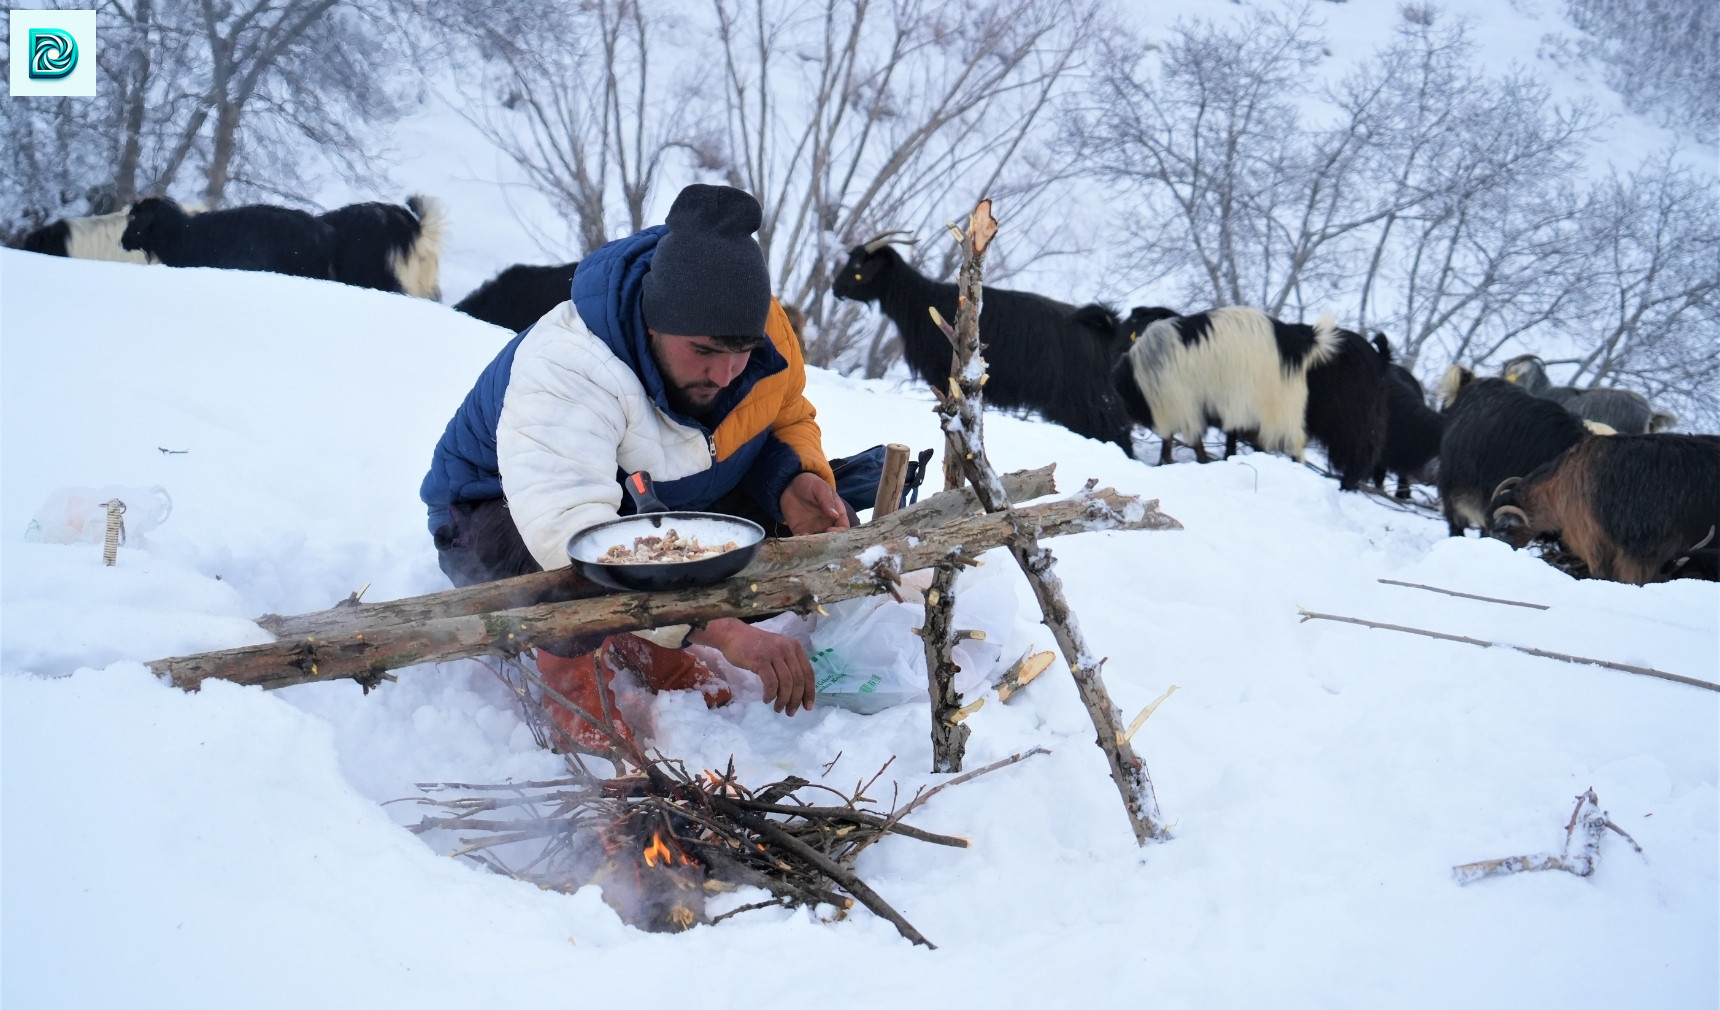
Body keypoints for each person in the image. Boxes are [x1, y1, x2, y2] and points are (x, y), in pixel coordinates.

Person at [420, 184, 858, 749]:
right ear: (653, 323)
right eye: (703, 351)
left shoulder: (765, 332)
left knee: (781, 516)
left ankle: (644, 634)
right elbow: (575, 539)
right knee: (565, 580)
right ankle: (571, 668)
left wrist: (794, 479)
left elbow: (785, 415)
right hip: (494, 518)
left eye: (742, 351)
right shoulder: (572, 363)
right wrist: (719, 627)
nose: (726, 373)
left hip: (645, 493)